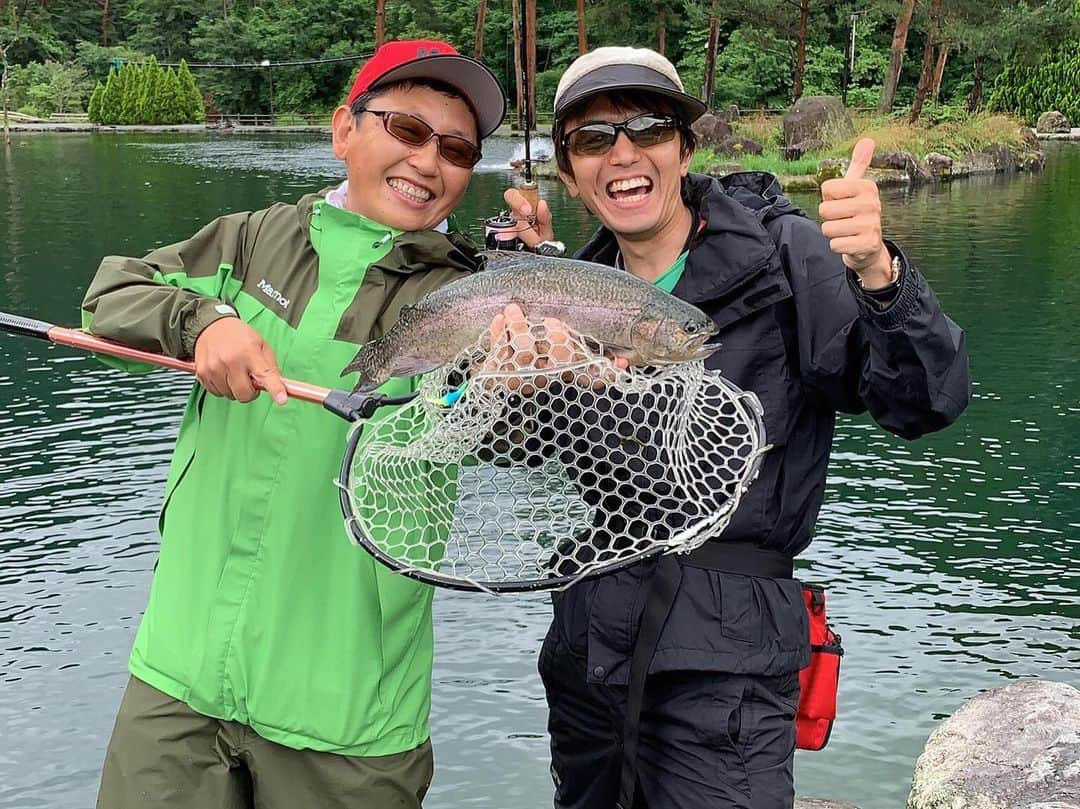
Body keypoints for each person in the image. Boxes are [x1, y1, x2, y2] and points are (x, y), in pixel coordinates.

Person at [504, 46, 971, 809]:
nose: (623, 153)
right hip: (589, 648)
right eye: (593, 139)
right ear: (569, 173)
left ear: (686, 148)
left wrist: (882, 276)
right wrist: (509, 381)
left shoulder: (788, 257)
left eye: (650, 128)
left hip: (731, 657)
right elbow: (519, 450)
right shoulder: (564, 290)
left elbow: (925, 401)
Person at [81, 39, 505, 809]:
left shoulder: (472, 297)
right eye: (406, 129)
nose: (428, 161)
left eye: (456, 148)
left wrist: (527, 378)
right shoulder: (249, 241)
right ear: (345, 130)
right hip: (178, 675)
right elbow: (111, 294)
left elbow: (517, 436)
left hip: (351, 711)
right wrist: (202, 321)